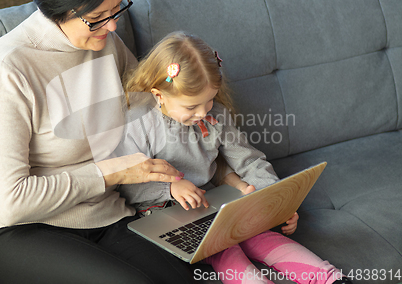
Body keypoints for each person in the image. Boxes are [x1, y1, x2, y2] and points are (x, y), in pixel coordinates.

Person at [0, 0, 196, 283]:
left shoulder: (107, 42)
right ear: (55, 10)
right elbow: (11, 202)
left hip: (107, 217)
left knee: (196, 272)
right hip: (21, 231)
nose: (113, 25)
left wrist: (231, 174)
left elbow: (155, 116)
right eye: (97, 16)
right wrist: (110, 173)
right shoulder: (7, 68)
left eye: (117, 8)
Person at [115, 31, 353, 284]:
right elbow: (127, 185)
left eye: (208, 101)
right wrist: (171, 187)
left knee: (261, 235)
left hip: (211, 201)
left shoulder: (215, 115)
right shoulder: (137, 121)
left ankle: (329, 279)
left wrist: (276, 201)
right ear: (158, 94)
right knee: (224, 249)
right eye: (191, 107)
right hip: (162, 212)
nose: (201, 113)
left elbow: (249, 161)